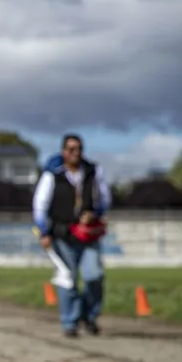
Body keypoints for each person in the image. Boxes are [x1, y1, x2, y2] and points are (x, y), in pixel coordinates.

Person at [32, 134, 112, 337]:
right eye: (71, 149)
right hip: (62, 235)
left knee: (94, 276)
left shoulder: (93, 171)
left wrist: (95, 213)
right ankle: (70, 322)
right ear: (63, 152)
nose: (75, 153)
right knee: (67, 279)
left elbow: (105, 199)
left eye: (78, 149)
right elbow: (40, 205)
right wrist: (43, 232)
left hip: (88, 235)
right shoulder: (53, 174)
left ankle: (89, 315)